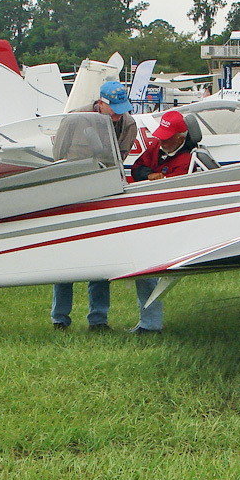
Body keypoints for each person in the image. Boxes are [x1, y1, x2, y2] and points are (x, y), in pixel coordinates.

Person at [51, 80, 139, 331]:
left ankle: (98, 319)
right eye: (114, 109)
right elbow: (58, 157)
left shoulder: (129, 124)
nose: (118, 115)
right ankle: (60, 318)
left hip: (103, 197)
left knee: (101, 260)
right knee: (65, 261)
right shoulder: (73, 119)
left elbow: (119, 160)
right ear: (100, 103)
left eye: (122, 109)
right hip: (71, 197)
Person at [126, 110, 196, 333]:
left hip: (167, 221)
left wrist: (159, 179)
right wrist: (149, 175)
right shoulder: (158, 147)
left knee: (146, 269)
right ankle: (148, 323)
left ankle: (150, 325)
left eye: (167, 138)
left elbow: (172, 192)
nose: (161, 142)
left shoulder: (186, 160)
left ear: (180, 137)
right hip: (147, 215)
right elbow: (136, 168)